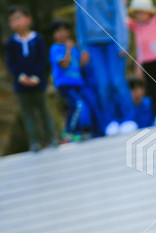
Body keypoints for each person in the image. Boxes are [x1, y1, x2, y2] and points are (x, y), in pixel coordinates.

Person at [75, 0, 138, 136]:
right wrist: (83, 47)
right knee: (103, 85)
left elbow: (120, 16)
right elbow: (79, 22)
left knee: (117, 82)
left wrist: (122, 42)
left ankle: (129, 119)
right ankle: (111, 121)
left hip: (113, 41)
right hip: (93, 45)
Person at [6, 6, 57, 152]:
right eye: (12, 20)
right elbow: (12, 63)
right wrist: (21, 77)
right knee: (28, 114)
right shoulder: (11, 44)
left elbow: (42, 60)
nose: (15, 22)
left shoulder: (38, 39)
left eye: (18, 18)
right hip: (21, 86)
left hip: (38, 83)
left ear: (28, 19)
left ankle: (51, 138)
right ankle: (34, 142)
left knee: (43, 110)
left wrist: (35, 76)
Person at [49, 19, 103, 141]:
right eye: (58, 31)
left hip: (77, 83)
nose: (62, 33)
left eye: (65, 30)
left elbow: (78, 65)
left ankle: (79, 130)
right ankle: (69, 131)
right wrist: (68, 49)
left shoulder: (74, 49)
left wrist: (84, 58)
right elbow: (64, 64)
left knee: (78, 106)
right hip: (65, 84)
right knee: (78, 105)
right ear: (53, 35)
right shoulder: (55, 48)